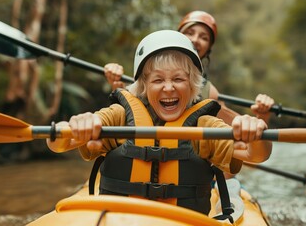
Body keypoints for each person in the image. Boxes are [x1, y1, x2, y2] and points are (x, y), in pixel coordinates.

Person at [48, 30, 272, 216]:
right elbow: (57, 144)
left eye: (178, 79)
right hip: (120, 220)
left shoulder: (204, 126)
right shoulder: (119, 116)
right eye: (158, 80)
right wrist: (81, 123)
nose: (168, 88)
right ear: (144, 86)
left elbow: (256, 154)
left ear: (192, 85)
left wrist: (255, 132)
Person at [104, 10, 274, 126]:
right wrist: (115, 82)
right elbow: (125, 107)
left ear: (209, 48)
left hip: (187, 163)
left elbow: (239, 135)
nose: (195, 40)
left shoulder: (208, 92)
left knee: (231, 181)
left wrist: (260, 118)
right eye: (190, 32)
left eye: (204, 37)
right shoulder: (146, 68)